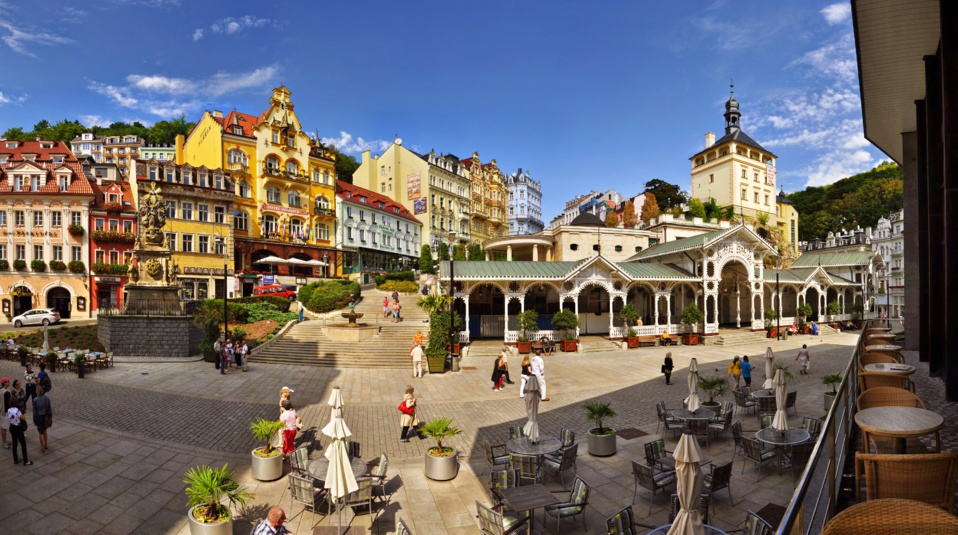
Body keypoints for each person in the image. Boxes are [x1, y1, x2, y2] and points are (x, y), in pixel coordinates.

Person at [6, 399, 29, 465]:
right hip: (18, 428)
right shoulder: (17, 410)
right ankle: (25, 460)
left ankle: (15, 459)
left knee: (14, 443)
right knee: (23, 444)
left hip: (12, 427)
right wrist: (23, 416)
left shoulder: (9, 410)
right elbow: (22, 417)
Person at [32, 385, 51, 453]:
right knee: (45, 430)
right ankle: (46, 444)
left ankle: (42, 447)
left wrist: (34, 420)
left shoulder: (35, 400)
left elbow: (35, 412)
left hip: (39, 417)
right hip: (45, 417)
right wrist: (50, 417)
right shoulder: (47, 398)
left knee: (41, 433)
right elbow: (49, 409)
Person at [0, 377, 9, 449]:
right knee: (3, 427)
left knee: (5, 427)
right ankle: (4, 442)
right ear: (4, 383)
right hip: (4, 412)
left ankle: (5, 441)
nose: (8, 382)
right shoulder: (3, 392)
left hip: (6, 411)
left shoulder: (6, 390)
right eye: (7, 381)